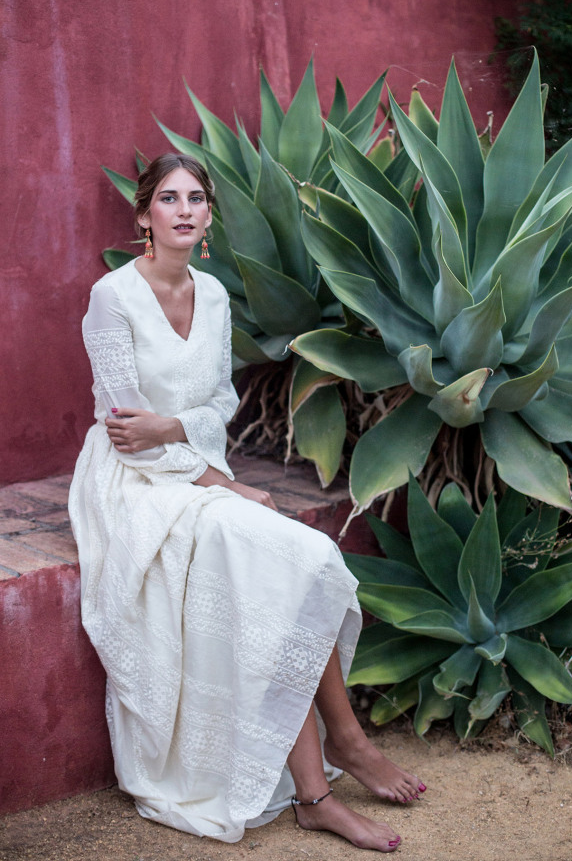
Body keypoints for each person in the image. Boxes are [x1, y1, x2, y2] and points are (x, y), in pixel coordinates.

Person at [68, 152, 425, 851]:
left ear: (209, 216)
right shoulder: (112, 297)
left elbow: (220, 402)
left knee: (303, 557)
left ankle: (342, 749)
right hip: (133, 485)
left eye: (196, 199)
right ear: (144, 214)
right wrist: (218, 481)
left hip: (195, 467)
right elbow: (128, 432)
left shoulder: (214, 294)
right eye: (168, 198)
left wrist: (186, 439)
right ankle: (325, 780)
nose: (184, 211)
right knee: (278, 556)